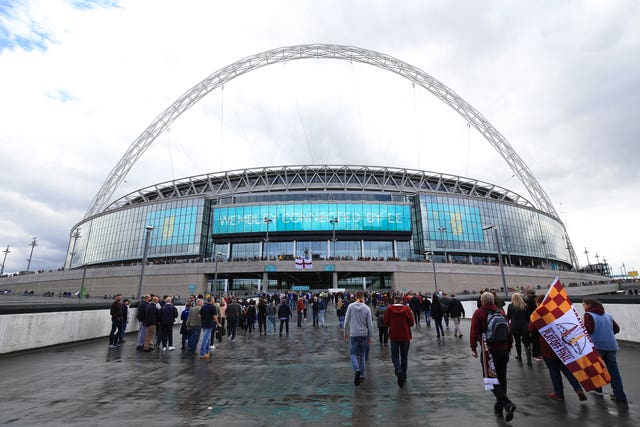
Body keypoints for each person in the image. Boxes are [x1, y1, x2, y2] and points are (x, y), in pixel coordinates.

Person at [530, 295, 587, 401]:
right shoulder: (555, 311)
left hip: (547, 345)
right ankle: (578, 388)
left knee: (554, 370)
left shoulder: (537, 314)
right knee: (566, 369)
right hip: (561, 344)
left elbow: (531, 328)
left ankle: (559, 393)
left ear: (538, 303)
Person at [470, 292, 516, 421]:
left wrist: (473, 348)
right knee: (502, 379)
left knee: (489, 380)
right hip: (503, 350)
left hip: (489, 352)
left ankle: (507, 404)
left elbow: (474, 331)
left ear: (482, 302)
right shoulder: (501, 312)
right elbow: (509, 330)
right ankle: (499, 408)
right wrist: (509, 346)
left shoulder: (479, 313)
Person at [583, 298, 628, 404]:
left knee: (596, 369)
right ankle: (620, 395)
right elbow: (616, 329)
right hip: (611, 346)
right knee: (614, 371)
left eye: (584, 304)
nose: (583, 306)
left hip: (597, 345)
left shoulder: (588, 315)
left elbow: (588, 329)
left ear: (589, 305)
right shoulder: (607, 315)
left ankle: (598, 390)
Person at [384, 295, 415, 387]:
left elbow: (385, 322)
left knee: (395, 355)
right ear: (401, 301)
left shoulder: (389, 309)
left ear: (394, 301)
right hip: (405, 335)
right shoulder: (406, 309)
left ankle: (398, 370)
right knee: (404, 356)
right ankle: (404, 374)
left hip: (394, 335)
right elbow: (412, 323)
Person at [344, 291, 373, 386]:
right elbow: (370, 324)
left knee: (353, 354)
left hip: (353, 334)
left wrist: (345, 333)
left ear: (355, 297)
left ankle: (356, 370)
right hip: (363, 334)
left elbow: (346, 321)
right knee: (362, 355)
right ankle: (362, 375)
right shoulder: (367, 308)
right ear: (363, 297)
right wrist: (370, 336)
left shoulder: (351, 307)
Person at [506, 292, 531, 365]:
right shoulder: (525, 306)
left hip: (514, 326)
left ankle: (519, 356)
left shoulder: (510, 306)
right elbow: (528, 317)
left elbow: (508, 317)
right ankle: (529, 361)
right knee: (526, 342)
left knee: (517, 342)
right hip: (524, 326)